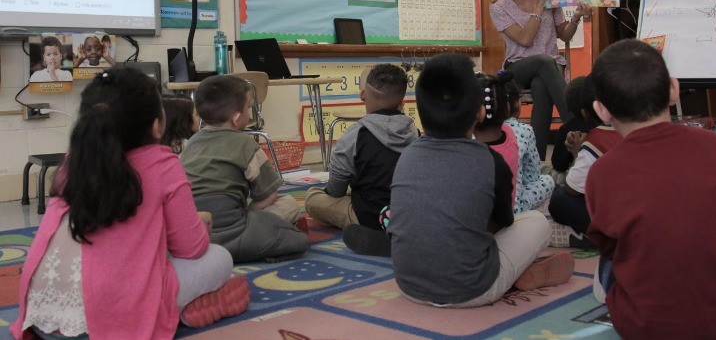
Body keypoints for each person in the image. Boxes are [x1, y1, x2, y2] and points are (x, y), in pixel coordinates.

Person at [11, 68, 249, 340]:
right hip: (110, 318)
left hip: (42, 317)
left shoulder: (74, 161)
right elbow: (191, 248)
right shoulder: (162, 163)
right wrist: (201, 224)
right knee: (220, 258)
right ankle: (184, 306)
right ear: (157, 124)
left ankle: (184, 306)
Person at [586, 39, 716, 339]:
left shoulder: (601, 172)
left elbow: (610, 247)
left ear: (601, 111)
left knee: (611, 263)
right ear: (674, 90)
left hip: (647, 326)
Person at [388, 53, 573, 308]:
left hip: (408, 285)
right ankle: (517, 276)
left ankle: (510, 272)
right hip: (473, 290)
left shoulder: (407, 156)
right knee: (536, 222)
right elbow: (505, 222)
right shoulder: (489, 161)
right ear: (480, 112)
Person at [180, 75, 308, 263]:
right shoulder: (245, 144)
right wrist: (249, 212)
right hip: (235, 230)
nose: (250, 112)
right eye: (249, 107)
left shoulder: (191, 144)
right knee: (288, 203)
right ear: (238, 118)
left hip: (193, 228)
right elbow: (268, 196)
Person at [490, 0, 592, 160]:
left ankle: (536, 162)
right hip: (517, 69)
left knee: (541, 84)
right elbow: (525, 40)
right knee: (544, 63)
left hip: (548, 69)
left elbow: (564, 35)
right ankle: (576, 126)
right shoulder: (499, 7)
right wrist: (538, 6)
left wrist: (577, 17)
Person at [306, 65, 418, 250]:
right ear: (402, 102)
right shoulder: (415, 132)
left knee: (312, 197)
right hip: (407, 214)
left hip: (367, 214)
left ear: (363, 95)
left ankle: (376, 233)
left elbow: (335, 190)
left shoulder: (354, 135)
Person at [547, 75, 620, 248]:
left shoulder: (594, 140)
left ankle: (599, 237)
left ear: (585, 113)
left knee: (559, 199)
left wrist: (581, 151)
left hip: (616, 218)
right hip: (644, 211)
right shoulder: (634, 129)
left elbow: (572, 189)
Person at [504, 81, 555, 214]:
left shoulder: (477, 132)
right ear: (516, 104)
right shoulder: (524, 130)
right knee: (548, 180)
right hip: (515, 208)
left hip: (485, 206)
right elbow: (532, 176)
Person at [473, 71, 520, 210]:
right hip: (506, 218)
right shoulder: (510, 134)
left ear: (477, 114)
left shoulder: (468, 151)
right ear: (507, 111)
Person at [548, 75, 598, 184]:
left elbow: (558, 165)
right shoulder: (608, 125)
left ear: (568, 105)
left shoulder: (567, 129)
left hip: (577, 182)